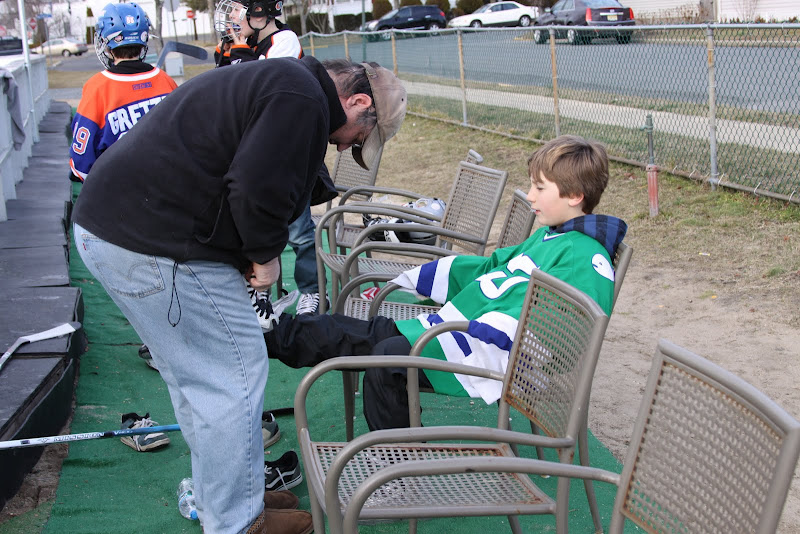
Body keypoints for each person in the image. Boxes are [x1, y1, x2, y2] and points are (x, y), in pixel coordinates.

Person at [71, 58, 407, 534]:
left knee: (199, 379)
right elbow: (254, 187)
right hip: (151, 241)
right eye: (359, 137)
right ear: (357, 101)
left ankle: (230, 498)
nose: (346, 145)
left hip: (119, 231)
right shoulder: (300, 98)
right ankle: (237, 522)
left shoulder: (287, 83)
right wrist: (265, 257)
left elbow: (237, 174)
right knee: (232, 377)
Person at [265, 134, 628, 431]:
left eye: (540, 187)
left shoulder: (586, 258)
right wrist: (425, 278)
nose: (531, 195)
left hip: (489, 352)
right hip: (459, 331)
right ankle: (269, 335)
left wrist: (483, 328)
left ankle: (397, 468)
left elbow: (565, 334)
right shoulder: (553, 235)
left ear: (574, 196)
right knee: (362, 333)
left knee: (386, 359)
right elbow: (492, 268)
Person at [214, 0, 328, 317]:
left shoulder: (284, 41)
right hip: (255, 152)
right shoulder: (248, 44)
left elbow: (258, 84)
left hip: (287, 153)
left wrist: (239, 52)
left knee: (299, 231)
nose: (232, 18)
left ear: (261, 13)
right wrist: (229, 53)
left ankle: (312, 291)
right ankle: (257, 293)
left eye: (238, 11)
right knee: (247, 226)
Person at [69, 2, 177, 182]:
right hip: (167, 187)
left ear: (106, 42)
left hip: (119, 191)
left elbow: (81, 165)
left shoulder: (97, 87)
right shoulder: (166, 81)